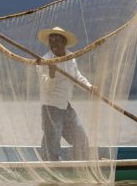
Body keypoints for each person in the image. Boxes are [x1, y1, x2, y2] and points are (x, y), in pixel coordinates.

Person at [36, 26, 97, 161]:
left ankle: (79, 165)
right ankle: (50, 167)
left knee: (80, 137)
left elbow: (77, 76)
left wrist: (89, 87)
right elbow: (47, 86)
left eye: (57, 41)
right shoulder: (44, 61)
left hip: (65, 106)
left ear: (63, 43)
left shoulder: (71, 58)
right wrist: (52, 75)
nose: (54, 45)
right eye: (51, 42)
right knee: (52, 145)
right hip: (50, 108)